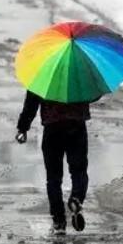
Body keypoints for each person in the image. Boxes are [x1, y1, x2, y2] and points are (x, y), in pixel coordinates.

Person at [16, 91, 95, 233]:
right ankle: (76, 198)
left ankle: (59, 222)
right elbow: (92, 93)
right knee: (79, 171)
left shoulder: (43, 77)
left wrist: (23, 127)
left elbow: (31, 102)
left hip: (52, 127)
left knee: (53, 178)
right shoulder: (80, 76)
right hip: (77, 125)